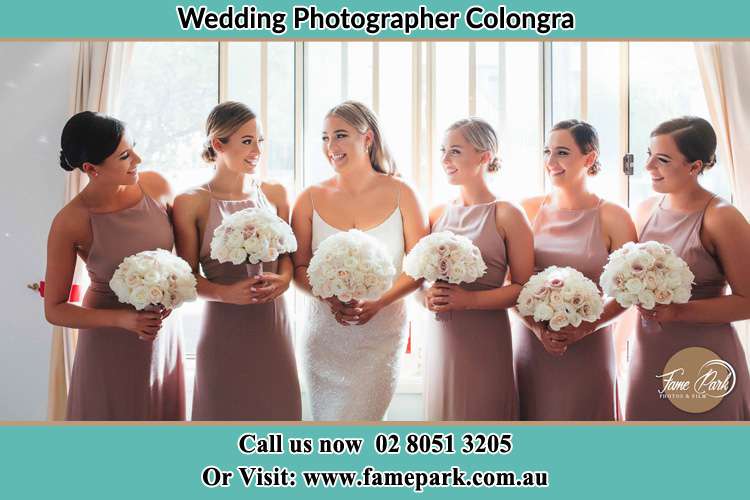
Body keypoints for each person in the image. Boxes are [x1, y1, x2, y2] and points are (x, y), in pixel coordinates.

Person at [291, 100, 428, 420]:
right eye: (325, 138)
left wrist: (379, 302)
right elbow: (298, 268)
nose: (331, 146)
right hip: (325, 334)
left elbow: (420, 267)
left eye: (340, 135)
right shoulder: (308, 197)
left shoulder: (402, 193)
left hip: (380, 336)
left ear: (368, 139)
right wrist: (327, 297)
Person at [45, 111, 184, 420]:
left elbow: (186, 261)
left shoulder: (157, 187)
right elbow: (54, 309)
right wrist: (123, 320)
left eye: (133, 147)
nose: (138, 158)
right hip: (108, 341)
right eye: (125, 155)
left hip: (162, 332)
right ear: (91, 168)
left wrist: (174, 295)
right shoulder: (71, 221)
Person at [173, 101, 301, 420]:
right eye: (247, 141)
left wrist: (284, 281)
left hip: (273, 325)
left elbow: (288, 257)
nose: (257, 149)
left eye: (260, 140)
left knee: (277, 417)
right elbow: (185, 277)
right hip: (222, 328)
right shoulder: (190, 202)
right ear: (218, 144)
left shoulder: (276, 193)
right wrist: (225, 293)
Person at [625, 116, 750, 420]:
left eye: (663, 160)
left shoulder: (721, 217)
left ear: (695, 167)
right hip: (648, 354)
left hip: (703, 361)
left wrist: (677, 312)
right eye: (649, 155)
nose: (649, 167)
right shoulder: (642, 211)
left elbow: (747, 301)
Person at [515, 119, 637, 420]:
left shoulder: (614, 216)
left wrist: (586, 327)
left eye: (562, 153)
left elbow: (630, 290)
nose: (551, 162)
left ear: (590, 157)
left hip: (589, 345)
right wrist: (537, 328)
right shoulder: (527, 210)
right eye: (548, 152)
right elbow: (511, 281)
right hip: (533, 342)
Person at [422, 118, 534, 420]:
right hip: (441, 339)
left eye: (455, 151)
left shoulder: (508, 214)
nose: (445, 160)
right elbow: (415, 279)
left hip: (485, 339)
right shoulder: (435, 214)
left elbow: (523, 287)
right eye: (443, 151)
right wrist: (426, 297)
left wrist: (468, 301)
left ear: (485, 156)